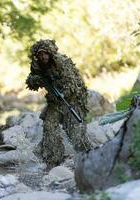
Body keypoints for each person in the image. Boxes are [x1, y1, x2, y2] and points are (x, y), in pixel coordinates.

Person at [26, 39, 91, 168]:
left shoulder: (62, 63)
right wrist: (36, 80)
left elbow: (73, 86)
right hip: (54, 103)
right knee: (49, 128)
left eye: (45, 53)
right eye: (40, 54)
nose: (43, 56)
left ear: (50, 53)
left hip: (73, 101)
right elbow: (30, 81)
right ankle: (54, 161)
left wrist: (63, 94)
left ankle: (88, 157)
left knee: (75, 133)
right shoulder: (37, 66)